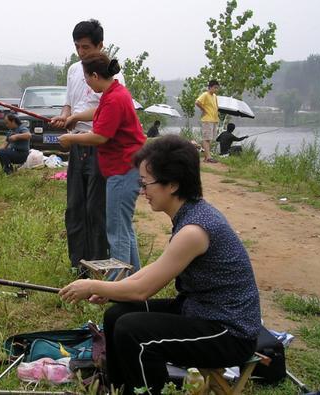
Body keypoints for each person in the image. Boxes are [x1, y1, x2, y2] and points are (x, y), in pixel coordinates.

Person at [59, 135, 261, 394]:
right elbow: (151, 273)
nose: (142, 191)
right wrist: (106, 288)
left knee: (134, 332)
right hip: (200, 310)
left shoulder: (194, 230)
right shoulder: (190, 214)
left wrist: (90, 285)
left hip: (228, 332)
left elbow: (143, 290)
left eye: (145, 184)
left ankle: (148, 391)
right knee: (116, 315)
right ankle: (120, 387)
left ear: (173, 185)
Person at [50, 19, 126, 272]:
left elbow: (107, 109)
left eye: (86, 47)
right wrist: (65, 116)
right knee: (75, 206)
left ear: (100, 45)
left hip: (99, 144)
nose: (81, 52)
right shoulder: (73, 70)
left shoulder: (111, 73)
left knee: (96, 208)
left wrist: (74, 119)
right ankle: (77, 264)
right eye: (77, 47)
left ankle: (97, 264)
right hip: (77, 144)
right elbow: (69, 102)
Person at [58, 53, 145, 272]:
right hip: (126, 169)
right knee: (124, 230)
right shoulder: (113, 92)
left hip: (123, 171)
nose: (86, 84)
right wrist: (75, 118)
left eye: (86, 79)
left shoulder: (115, 98)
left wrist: (71, 138)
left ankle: (117, 285)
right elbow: (98, 112)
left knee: (116, 232)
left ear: (95, 76)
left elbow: (100, 137)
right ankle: (134, 280)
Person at [195, 80, 220, 163]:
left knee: (210, 138)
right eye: (214, 88)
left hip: (214, 119)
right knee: (206, 138)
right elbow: (197, 102)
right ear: (209, 87)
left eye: (217, 88)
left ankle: (206, 157)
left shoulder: (215, 96)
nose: (216, 89)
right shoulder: (205, 94)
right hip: (207, 119)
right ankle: (209, 157)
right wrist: (204, 109)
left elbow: (216, 106)